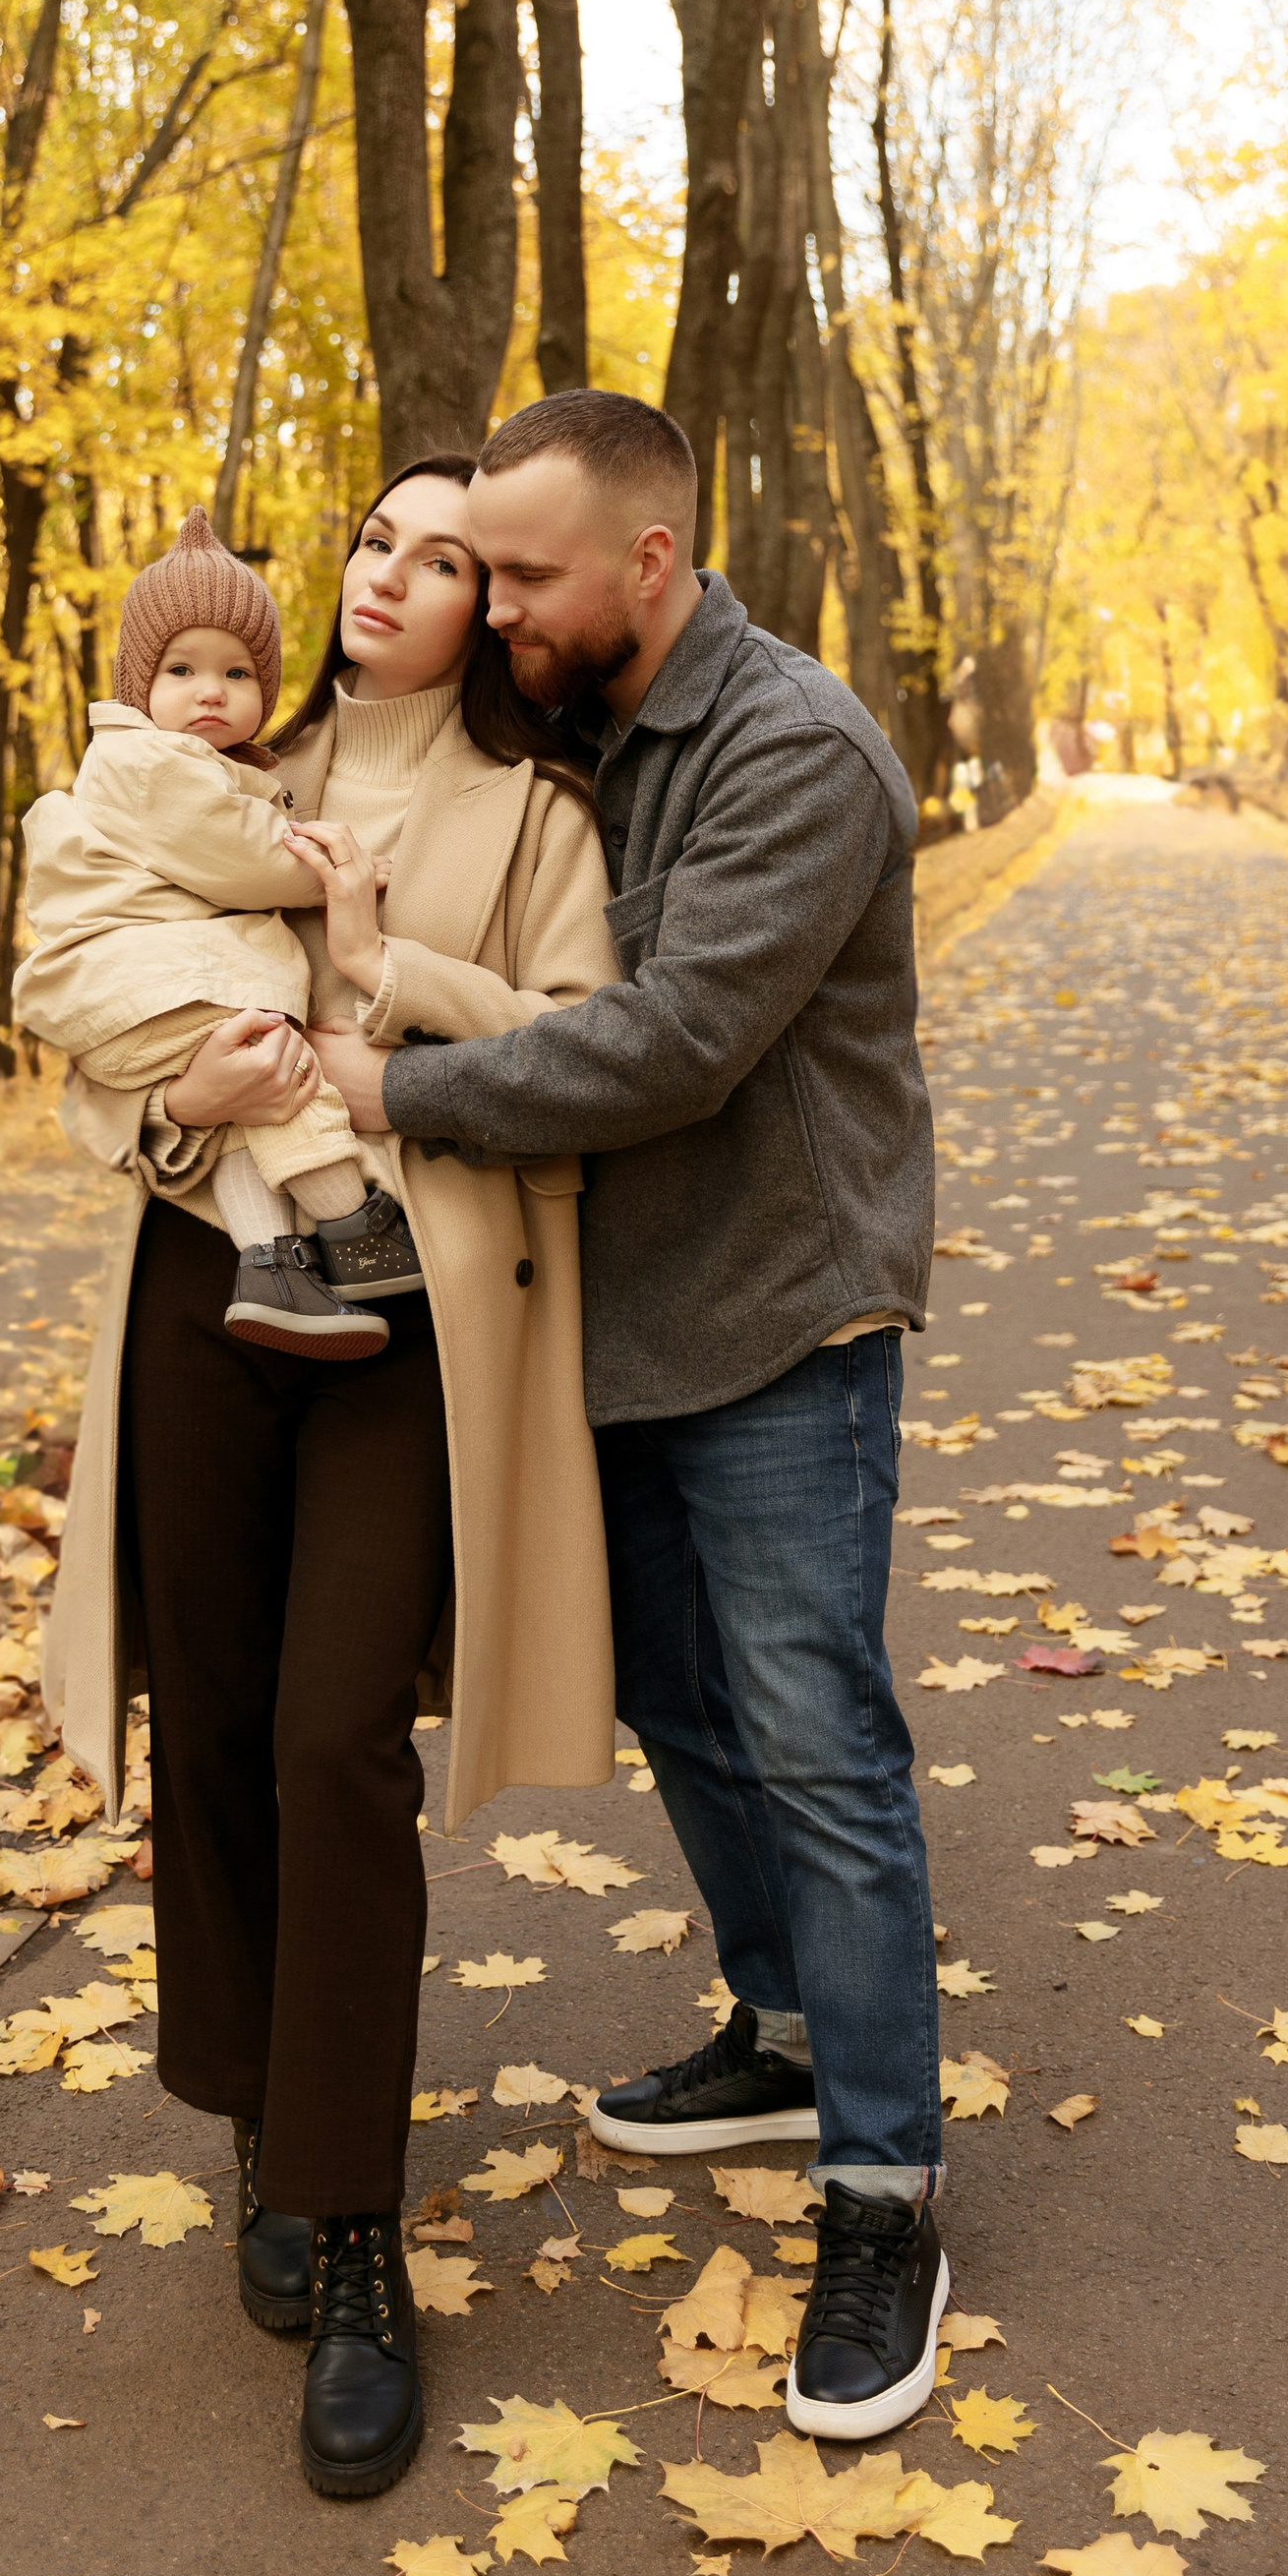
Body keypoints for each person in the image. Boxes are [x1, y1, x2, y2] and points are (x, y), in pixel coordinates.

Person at [308, 389, 948, 2446]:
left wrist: (388, 1085)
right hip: (614, 1316)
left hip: (776, 1311)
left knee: (814, 1729)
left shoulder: (790, 750)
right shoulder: (569, 709)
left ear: (649, 567)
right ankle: (772, 2027)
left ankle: (884, 2188)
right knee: (683, 1697)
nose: (488, 607)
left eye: (522, 575)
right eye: (472, 569)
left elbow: (664, 1044)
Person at [39, 454, 618, 2500]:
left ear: (494, 607)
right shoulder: (210, 754)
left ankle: (359, 2225)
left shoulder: (534, 811)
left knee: (327, 1739)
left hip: (409, 1326)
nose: (390, 573)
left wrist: (378, 977)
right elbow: (87, 1020)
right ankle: (264, 2129)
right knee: (201, 1719)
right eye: (373, 538)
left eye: (442, 556)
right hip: (201, 1284)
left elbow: (581, 1045)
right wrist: (173, 1109)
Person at [12, 507, 418, 1359]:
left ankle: (270, 1262)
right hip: (142, 987)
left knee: (244, 1104)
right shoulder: (145, 763)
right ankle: (354, 1219)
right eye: (183, 668)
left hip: (133, 1007)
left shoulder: (204, 767)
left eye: (237, 673)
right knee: (281, 1065)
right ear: (137, 686)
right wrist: (338, 871)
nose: (211, 691)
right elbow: (238, 857)